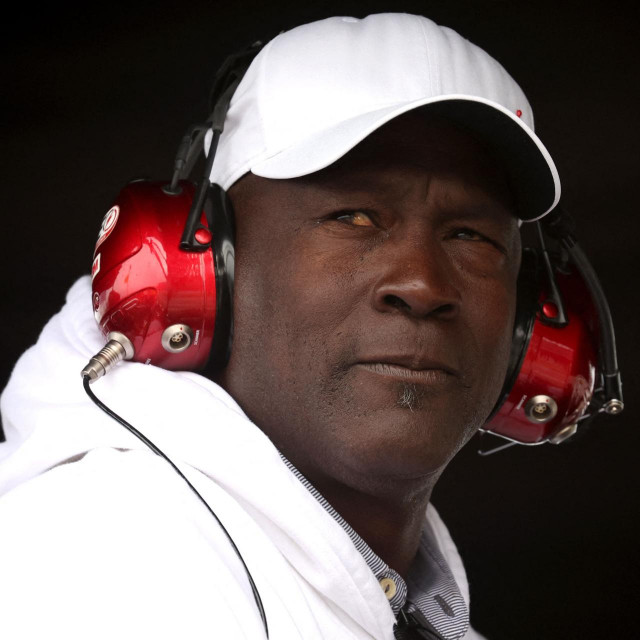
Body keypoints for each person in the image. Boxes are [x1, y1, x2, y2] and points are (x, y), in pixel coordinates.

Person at [0, 13, 560, 640]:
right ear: (204, 268)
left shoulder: (390, 607)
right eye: (353, 216)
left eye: (470, 235)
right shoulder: (92, 566)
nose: (424, 285)